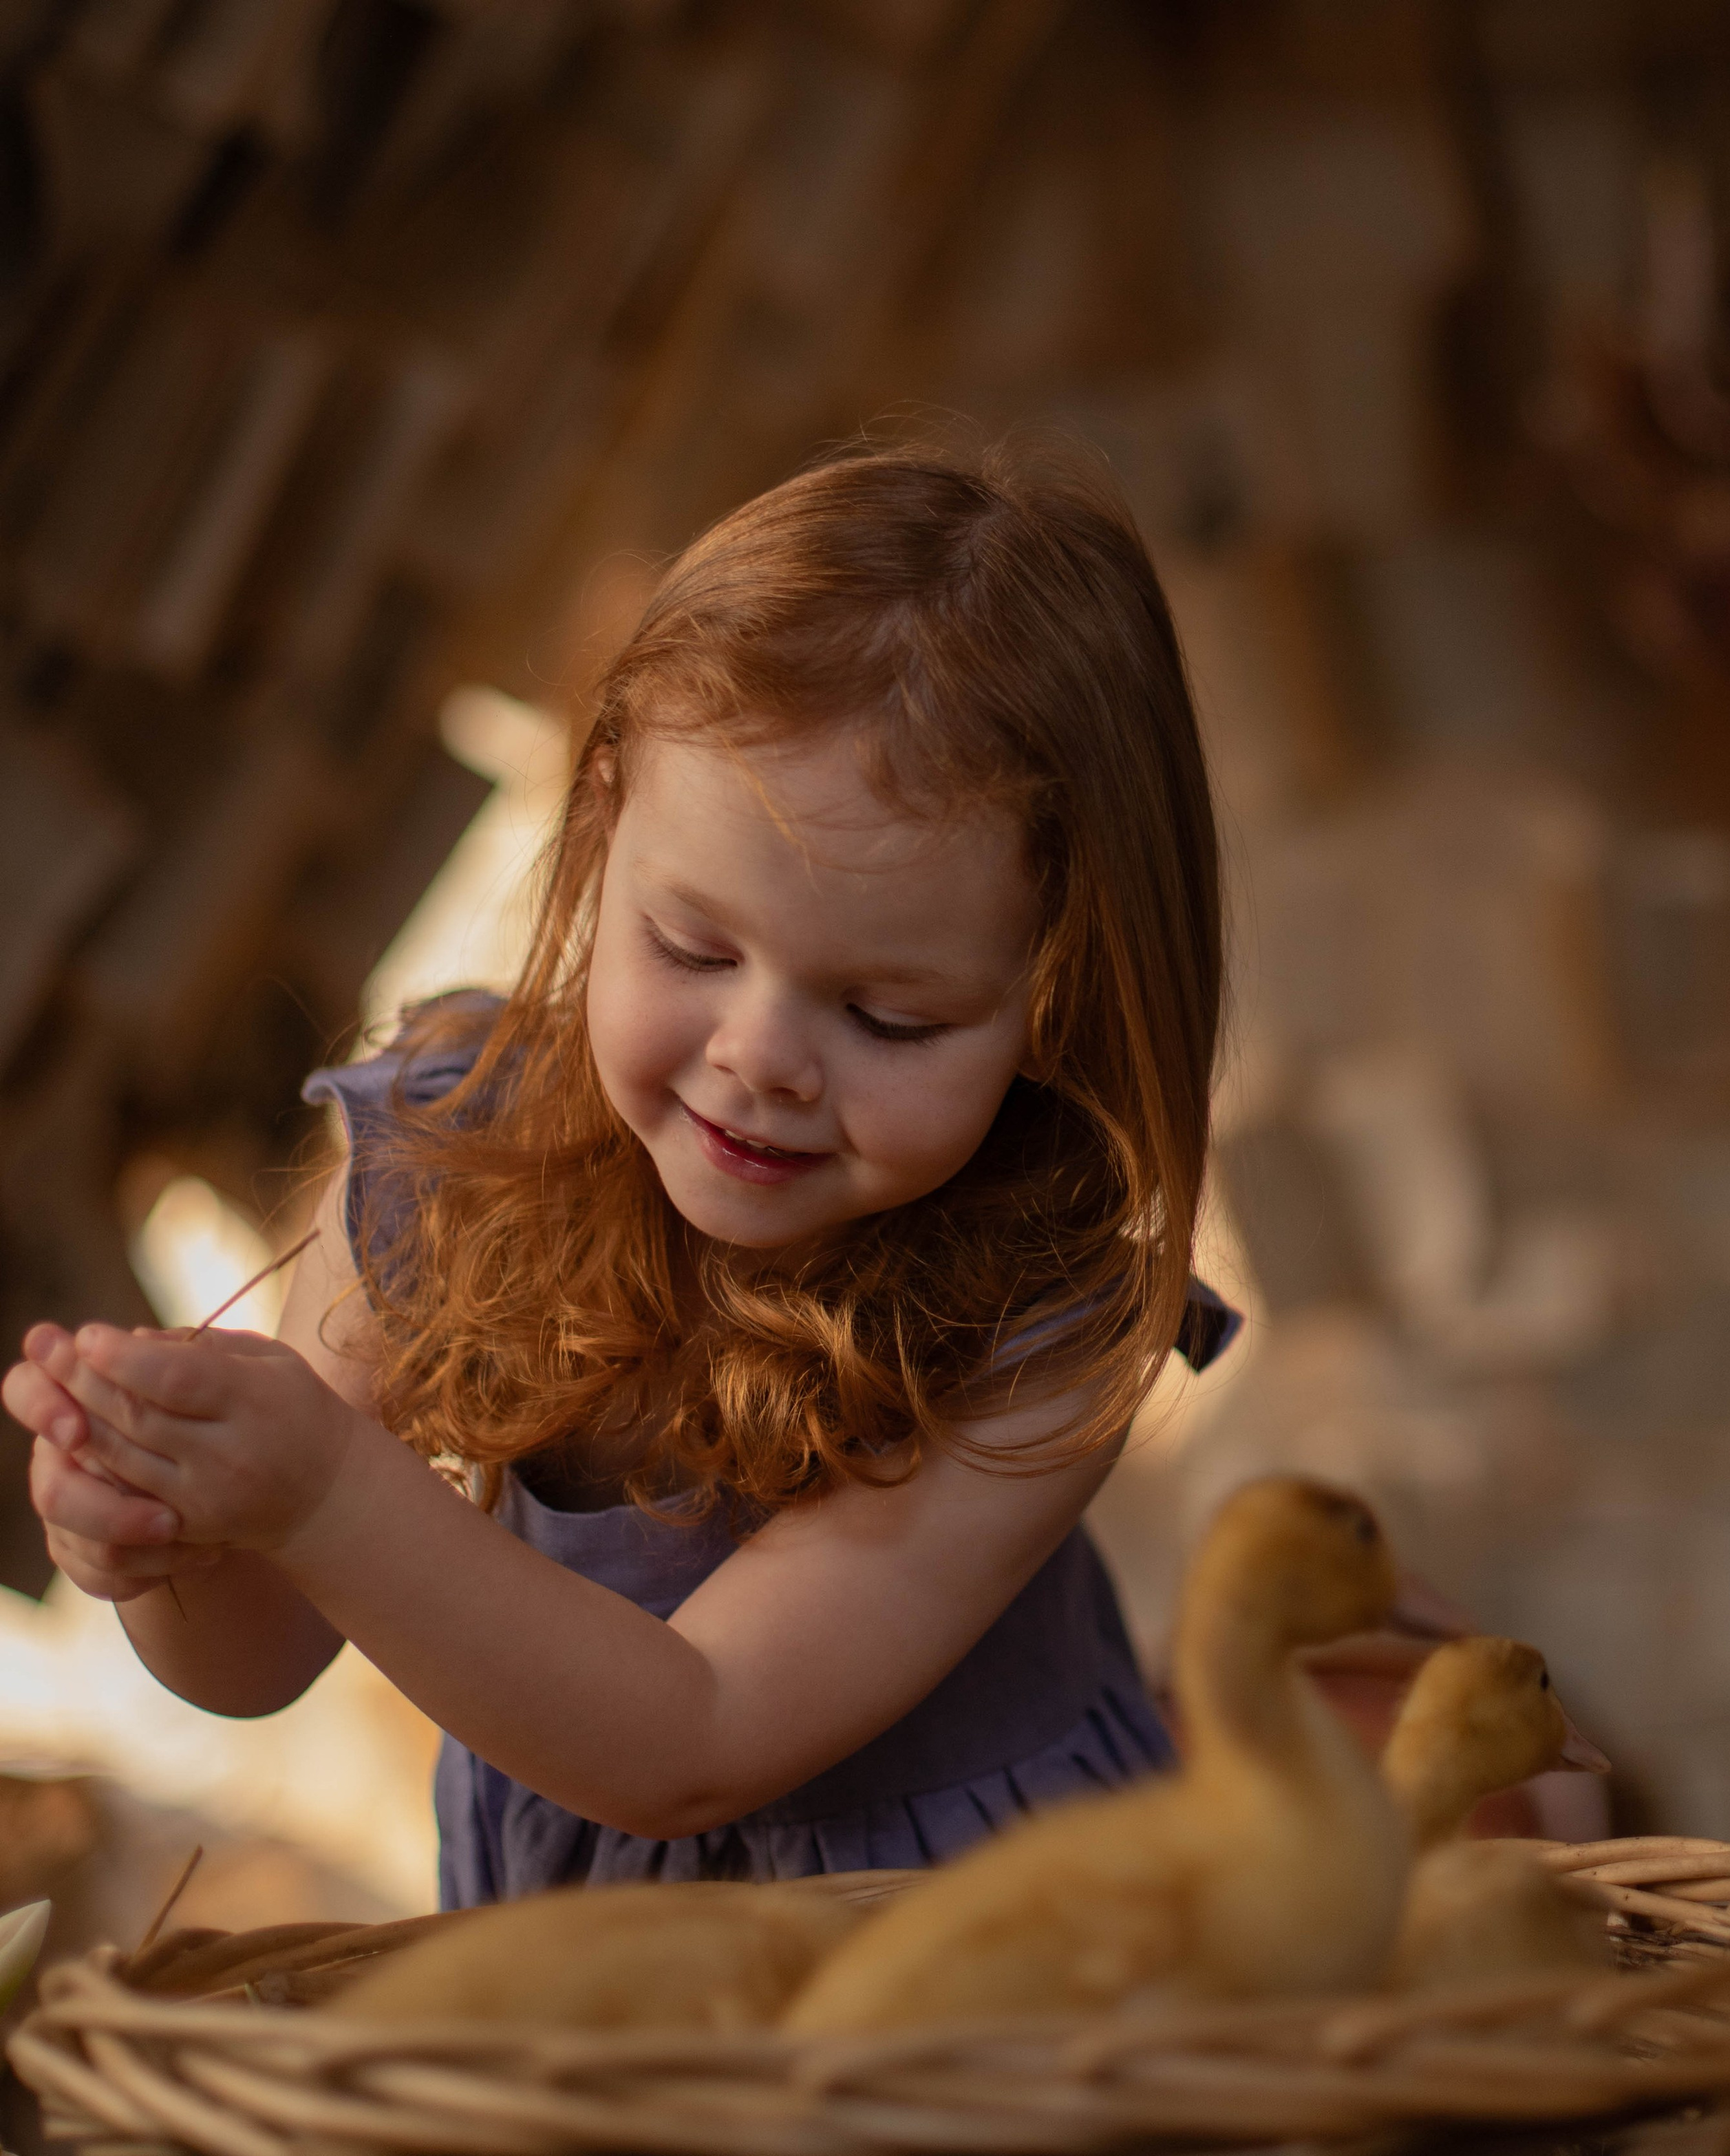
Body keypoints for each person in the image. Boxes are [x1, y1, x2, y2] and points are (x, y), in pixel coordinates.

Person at [1, 440, 1556, 1903]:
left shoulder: (1050, 1320)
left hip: (953, 1993)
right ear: (601, 828)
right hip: (576, 1989)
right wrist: (165, 1537)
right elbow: (255, 1657)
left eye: (887, 1016)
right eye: (690, 944)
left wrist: (325, 1487)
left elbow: (695, 1740)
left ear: (1052, 995)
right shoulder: (455, 1146)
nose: (760, 1057)